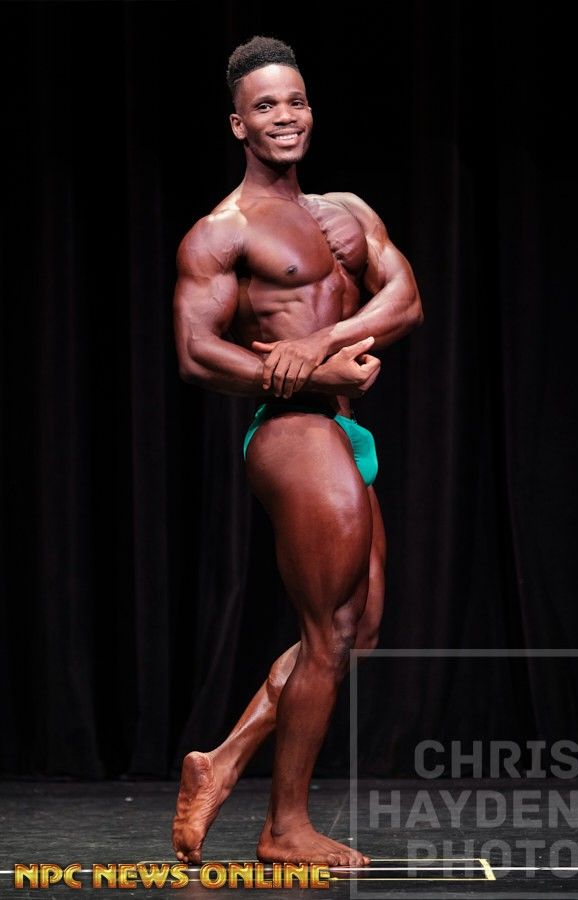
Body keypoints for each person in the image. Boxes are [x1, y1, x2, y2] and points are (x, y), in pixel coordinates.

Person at [171, 35, 423, 868]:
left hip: (343, 426)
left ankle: (223, 760)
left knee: (357, 631)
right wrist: (305, 375)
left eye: (297, 101)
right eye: (266, 106)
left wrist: (319, 344)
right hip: (290, 430)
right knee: (326, 629)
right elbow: (197, 352)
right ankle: (284, 827)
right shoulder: (222, 232)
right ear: (238, 124)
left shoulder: (346, 211)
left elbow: (405, 298)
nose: (285, 116)